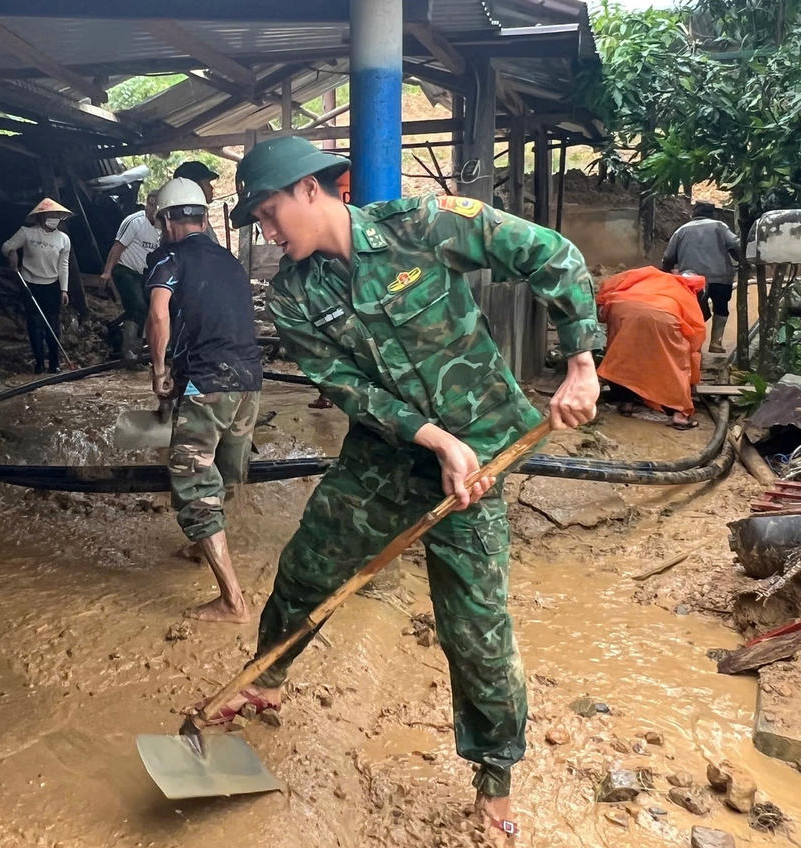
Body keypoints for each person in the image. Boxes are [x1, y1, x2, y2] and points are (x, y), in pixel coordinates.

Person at [220, 136, 602, 844]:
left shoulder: (421, 225)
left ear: (312, 189)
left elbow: (551, 253)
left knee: (476, 627)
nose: (268, 233)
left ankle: (494, 782)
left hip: (483, 455)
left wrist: (581, 361)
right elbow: (346, 387)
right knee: (308, 569)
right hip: (391, 451)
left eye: (270, 213)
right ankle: (266, 679)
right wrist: (433, 438)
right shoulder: (294, 296)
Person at [144, 178, 263, 622]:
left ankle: (232, 600)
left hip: (207, 383)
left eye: (161, 221)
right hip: (249, 382)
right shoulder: (229, 262)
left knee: (192, 482)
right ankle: (201, 545)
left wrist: (159, 372)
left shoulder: (169, 258)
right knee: (227, 472)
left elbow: (159, 315)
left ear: (169, 219)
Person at [597, 266, 705, 429]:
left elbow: (616, 281)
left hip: (622, 308)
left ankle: (626, 402)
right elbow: (695, 334)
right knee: (674, 364)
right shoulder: (686, 293)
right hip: (662, 315)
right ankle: (679, 415)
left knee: (624, 355)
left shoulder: (652, 275)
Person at [3, 198, 73, 373]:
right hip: (30, 283)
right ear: (41, 216)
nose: (54, 218)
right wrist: (12, 253)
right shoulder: (27, 233)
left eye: (57, 215)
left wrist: (64, 289)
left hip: (52, 285)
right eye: (51, 214)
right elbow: (6, 246)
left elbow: (63, 265)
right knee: (35, 324)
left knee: (53, 324)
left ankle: (54, 363)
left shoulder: (64, 239)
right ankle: (39, 363)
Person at [662, 201, 740, 354]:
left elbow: (668, 256)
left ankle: (693, 344)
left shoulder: (681, 230)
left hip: (692, 280)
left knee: (694, 310)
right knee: (721, 307)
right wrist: (740, 260)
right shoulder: (720, 227)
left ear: (693, 213)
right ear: (712, 214)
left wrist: (666, 273)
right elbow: (735, 245)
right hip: (720, 276)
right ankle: (716, 343)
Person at [100, 189, 160, 362]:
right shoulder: (134, 221)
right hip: (125, 269)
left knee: (148, 308)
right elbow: (117, 246)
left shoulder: (162, 227)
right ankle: (130, 353)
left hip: (145, 274)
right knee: (138, 306)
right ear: (150, 202)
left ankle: (115, 330)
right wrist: (107, 271)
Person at [172, 160, 220, 242]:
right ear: (195, 186)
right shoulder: (189, 223)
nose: (211, 188)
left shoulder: (199, 216)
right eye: (207, 183)